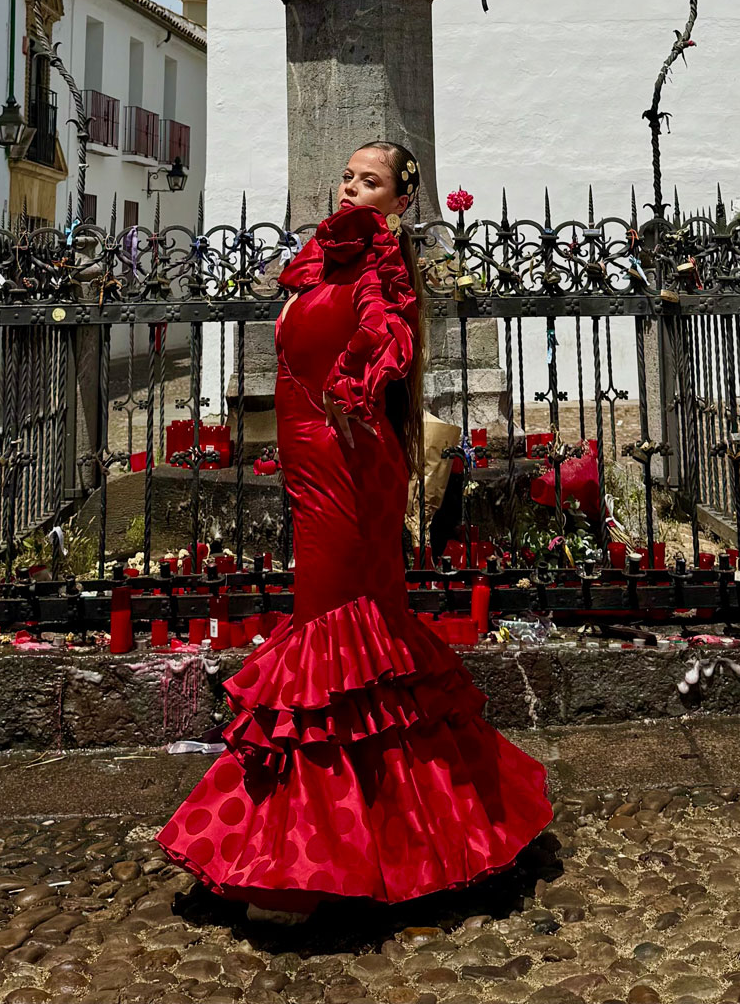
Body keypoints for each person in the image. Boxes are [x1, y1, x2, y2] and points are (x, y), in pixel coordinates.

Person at [157, 141, 552, 915]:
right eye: (346, 177)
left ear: (400, 200)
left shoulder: (380, 264)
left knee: (330, 635)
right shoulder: (324, 265)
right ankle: (385, 835)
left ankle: (302, 861)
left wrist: (355, 382)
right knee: (356, 640)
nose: (350, 189)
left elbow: (385, 333)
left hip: (347, 459)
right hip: (315, 460)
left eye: (369, 181)